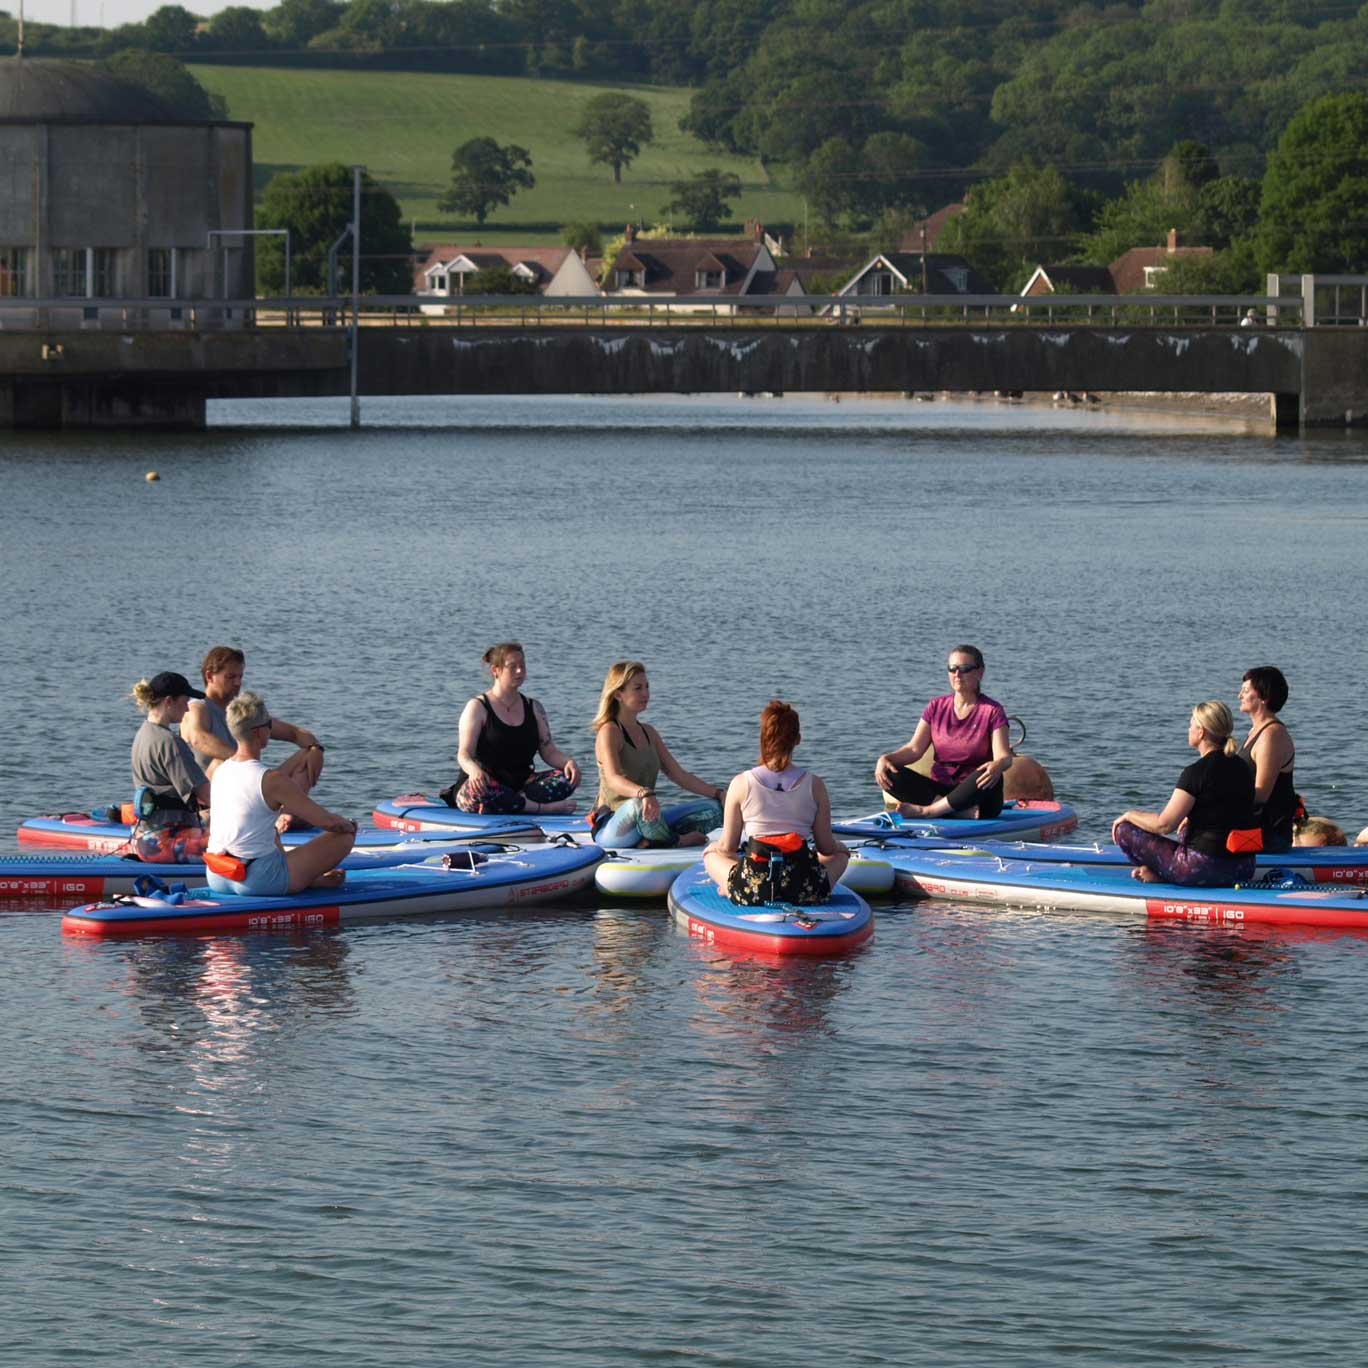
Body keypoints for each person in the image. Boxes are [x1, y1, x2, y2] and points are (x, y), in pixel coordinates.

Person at [205, 692, 356, 896]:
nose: (271, 729)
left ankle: (308, 879)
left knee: (267, 827)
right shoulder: (272, 781)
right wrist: (349, 824)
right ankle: (301, 879)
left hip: (217, 873)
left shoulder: (219, 770)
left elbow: (259, 785)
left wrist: (304, 754)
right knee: (344, 836)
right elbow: (327, 822)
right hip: (257, 880)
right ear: (260, 732)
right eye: (269, 724)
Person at [704, 700, 849, 905]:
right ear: (797, 740)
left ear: (764, 738)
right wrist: (840, 847)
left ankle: (730, 888)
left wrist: (715, 849)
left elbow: (728, 848)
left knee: (711, 855)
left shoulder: (741, 783)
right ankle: (810, 887)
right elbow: (826, 848)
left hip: (754, 888)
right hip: (803, 887)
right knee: (841, 854)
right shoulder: (815, 785)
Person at [1112, 700, 1258, 887]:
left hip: (1202, 869)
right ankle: (1161, 873)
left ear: (1201, 732)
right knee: (1185, 827)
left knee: (1123, 830)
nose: (1188, 729)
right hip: (1243, 868)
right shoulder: (1242, 767)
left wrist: (1129, 815)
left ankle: (1161, 875)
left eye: (1191, 725)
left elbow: (1164, 825)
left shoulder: (1195, 772)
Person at [182, 646, 326, 827]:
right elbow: (198, 738)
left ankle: (286, 815)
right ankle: (284, 816)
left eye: (240, 677)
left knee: (307, 754)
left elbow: (295, 733)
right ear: (210, 676)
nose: (237, 683)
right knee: (219, 763)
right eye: (230, 677)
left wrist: (316, 749)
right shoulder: (196, 708)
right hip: (212, 796)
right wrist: (244, 764)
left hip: (249, 787)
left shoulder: (241, 712)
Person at [589, 660, 724, 847]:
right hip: (613, 826)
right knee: (637, 805)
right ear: (618, 694)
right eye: (637, 688)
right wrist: (643, 794)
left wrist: (720, 794)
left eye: (647, 686)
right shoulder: (609, 731)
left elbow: (680, 776)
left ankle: (650, 839)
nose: (646, 693)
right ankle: (676, 840)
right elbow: (613, 778)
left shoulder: (649, 732)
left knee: (717, 809)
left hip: (649, 816)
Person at [875, 645, 1013, 819]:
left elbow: (1005, 758)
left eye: (965, 669)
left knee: (989, 773)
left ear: (980, 672)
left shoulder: (992, 710)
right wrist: (886, 759)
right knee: (889, 773)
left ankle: (930, 811)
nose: (957, 674)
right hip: (940, 788)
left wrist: (997, 765)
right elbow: (914, 750)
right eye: (952, 669)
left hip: (977, 793)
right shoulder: (935, 706)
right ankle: (957, 812)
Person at [445, 642, 581, 815]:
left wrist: (569, 763)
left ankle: (515, 802)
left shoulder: (534, 707)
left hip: (520, 785)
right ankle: (541, 808)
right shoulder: (477, 707)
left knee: (565, 780)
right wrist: (474, 771)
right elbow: (464, 755)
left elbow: (548, 750)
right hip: (484, 785)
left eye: (522, 666)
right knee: (482, 793)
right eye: (512, 667)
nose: (519, 671)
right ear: (496, 670)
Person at [128, 670, 212, 861]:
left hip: (146, 838)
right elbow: (207, 796)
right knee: (239, 840)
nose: (188, 709)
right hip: (167, 840)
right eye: (184, 702)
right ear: (169, 701)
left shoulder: (143, 733)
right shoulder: (170, 742)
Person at [1237, 665, 1297, 853]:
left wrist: (1220, 800)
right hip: (1252, 827)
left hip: (1270, 835)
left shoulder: (1271, 735)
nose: (1240, 696)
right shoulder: (1255, 732)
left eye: (1246, 691)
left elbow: (1261, 794)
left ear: (1263, 697)